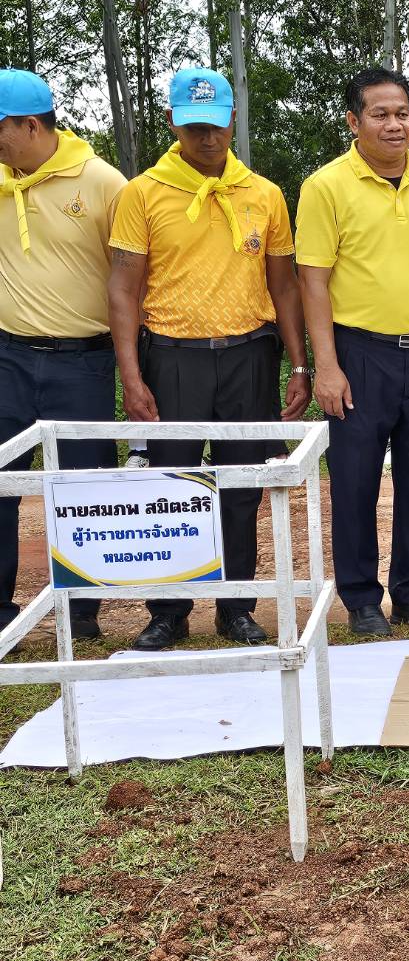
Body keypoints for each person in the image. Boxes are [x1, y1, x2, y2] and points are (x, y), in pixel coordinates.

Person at [107, 67, 309, 651]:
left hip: (249, 356)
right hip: (171, 357)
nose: (207, 139)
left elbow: (285, 285)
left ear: (232, 121)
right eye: (195, 127)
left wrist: (298, 365)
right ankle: (169, 610)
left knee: (240, 485)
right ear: (174, 122)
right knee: (174, 485)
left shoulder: (264, 194)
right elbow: (123, 287)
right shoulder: (142, 192)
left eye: (216, 126)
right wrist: (132, 375)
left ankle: (236, 606)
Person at [296, 67, 409, 636]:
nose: (394, 124)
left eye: (402, 113)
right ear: (354, 122)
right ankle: (360, 599)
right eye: (379, 114)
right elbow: (313, 281)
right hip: (359, 355)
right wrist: (325, 365)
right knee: (354, 480)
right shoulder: (326, 186)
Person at [0, 70, 127, 638]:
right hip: (7, 359)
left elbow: (131, 278)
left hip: (83, 361)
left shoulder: (102, 183)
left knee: (83, 491)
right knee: (1, 485)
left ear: (30, 124)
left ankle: (82, 615)